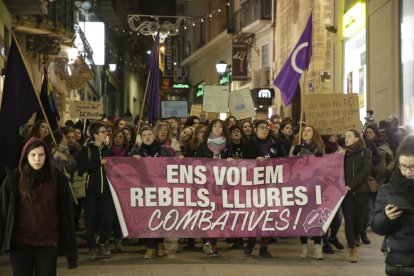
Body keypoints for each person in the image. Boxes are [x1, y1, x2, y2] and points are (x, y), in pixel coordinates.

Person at [0, 137, 78, 275]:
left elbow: (66, 216)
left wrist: (71, 253)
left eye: (41, 155)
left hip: (47, 242)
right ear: (26, 156)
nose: (37, 159)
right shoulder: (14, 179)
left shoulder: (58, 179)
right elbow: (3, 212)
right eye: (33, 155)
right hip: (21, 243)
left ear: (47, 156)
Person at [371, 135, 414, 275]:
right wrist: (386, 217)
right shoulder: (387, 190)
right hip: (400, 260)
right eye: (404, 166)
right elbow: (376, 226)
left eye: (413, 167)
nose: (408, 171)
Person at [131, 126, 174, 259]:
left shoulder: (163, 150)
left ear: (154, 136)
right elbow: (128, 168)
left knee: (160, 216)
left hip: (161, 189)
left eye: (150, 134)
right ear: (141, 138)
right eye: (144, 135)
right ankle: (150, 247)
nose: (148, 137)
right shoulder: (136, 150)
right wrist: (133, 159)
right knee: (148, 217)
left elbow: (171, 165)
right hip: (144, 189)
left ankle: (160, 243)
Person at [76, 123, 113, 261]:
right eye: (103, 132)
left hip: (106, 192)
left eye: (106, 132)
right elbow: (80, 168)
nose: (106, 134)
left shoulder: (108, 150)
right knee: (90, 221)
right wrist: (99, 163)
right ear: (95, 134)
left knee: (108, 219)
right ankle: (92, 248)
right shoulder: (86, 150)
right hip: (90, 192)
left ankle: (102, 242)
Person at [290, 125, 325, 260]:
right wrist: (294, 154)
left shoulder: (320, 148)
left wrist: (320, 158)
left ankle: (317, 246)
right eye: (304, 130)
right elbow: (288, 165)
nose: (306, 132)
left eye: (309, 130)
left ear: (314, 133)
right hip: (301, 186)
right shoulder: (296, 146)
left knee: (317, 216)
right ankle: (304, 246)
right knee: (302, 216)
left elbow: (325, 167)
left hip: (316, 186)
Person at [340, 129, 372, 263]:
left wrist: (351, 185)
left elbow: (366, 171)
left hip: (362, 192)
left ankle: (355, 236)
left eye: (349, 136)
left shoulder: (366, 152)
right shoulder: (343, 154)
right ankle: (352, 249)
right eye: (345, 136)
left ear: (357, 138)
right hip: (346, 194)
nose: (346, 139)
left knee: (359, 221)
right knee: (349, 221)